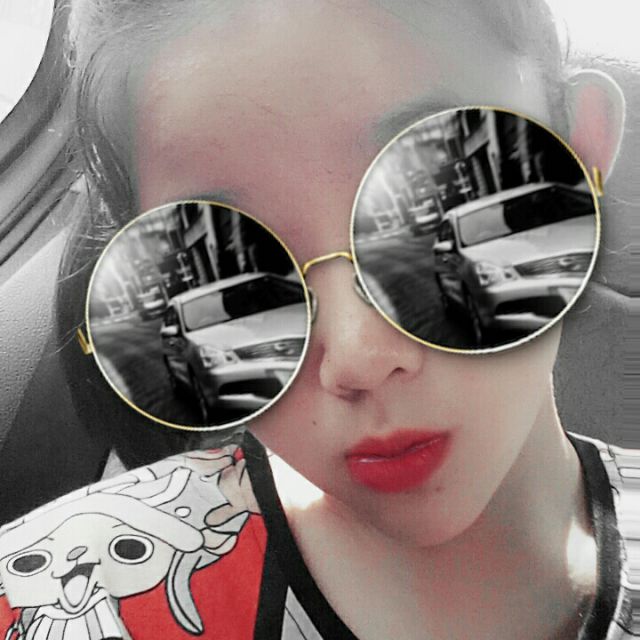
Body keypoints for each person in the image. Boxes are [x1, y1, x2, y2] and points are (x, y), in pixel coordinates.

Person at [0, 1, 636, 639]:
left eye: (446, 202)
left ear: (580, 148)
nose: (359, 357)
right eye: (227, 274)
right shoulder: (70, 593)